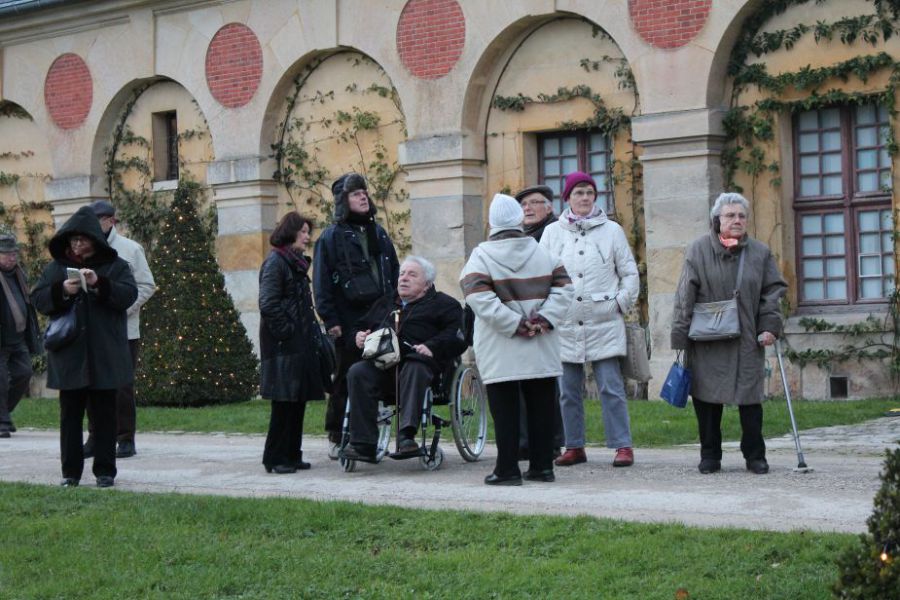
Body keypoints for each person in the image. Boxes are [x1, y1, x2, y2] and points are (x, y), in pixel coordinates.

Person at [460, 193, 573, 486]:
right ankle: (542, 467)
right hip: (541, 340)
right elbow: (565, 290)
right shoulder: (543, 252)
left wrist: (514, 324)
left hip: (500, 344)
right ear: (518, 220)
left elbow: (478, 298)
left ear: (492, 223)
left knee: (505, 408)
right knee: (542, 406)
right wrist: (543, 319)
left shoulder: (481, 256)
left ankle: (507, 469)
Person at [671, 192, 787, 475]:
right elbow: (685, 294)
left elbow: (772, 292)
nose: (737, 220)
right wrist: (680, 335)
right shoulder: (698, 250)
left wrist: (770, 326)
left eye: (741, 216)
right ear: (717, 219)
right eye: (730, 215)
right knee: (707, 400)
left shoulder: (760, 253)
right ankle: (710, 455)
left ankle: (755, 455)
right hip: (707, 339)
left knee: (750, 399)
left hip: (747, 337)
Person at [31, 206, 137, 488]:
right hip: (70, 355)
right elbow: (39, 299)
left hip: (104, 352)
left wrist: (98, 283)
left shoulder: (116, 266)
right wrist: (63, 290)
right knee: (70, 417)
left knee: (104, 416)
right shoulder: (56, 268)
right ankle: (71, 473)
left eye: (83, 240)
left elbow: (129, 294)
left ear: (95, 240)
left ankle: (105, 471)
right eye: (73, 240)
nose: (77, 245)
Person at [540, 171, 639, 468]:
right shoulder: (552, 233)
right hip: (565, 322)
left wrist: (621, 303)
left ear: (596, 197)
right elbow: (541, 273)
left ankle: (622, 445)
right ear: (567, 198)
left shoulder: (612, 231)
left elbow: (630, 273)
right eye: (578, 193)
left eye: (589, 193)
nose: (584, 198)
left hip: (604, 320)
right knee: (567, 390)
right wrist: (548, 311)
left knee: (611, 386)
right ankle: (574, 445)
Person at [340, 256, 466, 462]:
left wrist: (431, 346)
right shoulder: (385, 303)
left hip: (422, 370)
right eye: (402, 274)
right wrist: (358, 336)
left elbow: (457, 336)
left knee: (414, 366)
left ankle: (406, 436)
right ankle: (363, 444)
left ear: (427, 284)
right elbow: (359, 325)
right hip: (384, 367)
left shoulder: (445, 304)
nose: (403, 279)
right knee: (358, 371)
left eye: (412, 274)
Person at [313, 173, 399, 459]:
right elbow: (322, 283)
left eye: (364, 192)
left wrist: (397, 305)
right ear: (343, 201)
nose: (363, 196)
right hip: (348, 319)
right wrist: (331, 321)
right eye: (355, 194)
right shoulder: (330, 237)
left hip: (382, 316)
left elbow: (394, 273)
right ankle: (337, 434)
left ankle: (369, 434)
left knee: (379, 372)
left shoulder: (380, 233)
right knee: (344, 379)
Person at [81, 200, 156, 459]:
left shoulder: (130, 249)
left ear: (110, 220)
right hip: (93, 329)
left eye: (98, 219)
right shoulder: (84, 250)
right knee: (92, 383)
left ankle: (125, 437)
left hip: (124, 329)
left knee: (122, 385)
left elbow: (146, 285)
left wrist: (123, 308)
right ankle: (96, 436)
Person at [259, 212, 325, 473]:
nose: (308, 237)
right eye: (304, 232)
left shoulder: (294, 263)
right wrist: (286, 332)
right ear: (291, 232)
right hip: (283, 346)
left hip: (298, 343)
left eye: (308, 232)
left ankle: (292, 454)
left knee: (297, 400)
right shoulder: (276, 262)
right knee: (284, 402)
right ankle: (275, 458)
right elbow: (268, 303)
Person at [513, 184, 564, 460]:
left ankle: (551, 441)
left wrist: (544, 315)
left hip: (545, 317)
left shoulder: (554, 234)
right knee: (522, 382)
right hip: (521, 318)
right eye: (523, 205)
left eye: (535, 203)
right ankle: (525, 442)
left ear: (550, 207)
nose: (528, 209)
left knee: (545, 384)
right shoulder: (517, 238)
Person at [0, 233, 40, 438]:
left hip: (18, 338)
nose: (11, 258)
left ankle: (3, 414)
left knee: (23, 374)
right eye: (6, 254)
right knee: (1, 381)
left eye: (13, 254)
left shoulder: (18, 274)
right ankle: (2, 421)